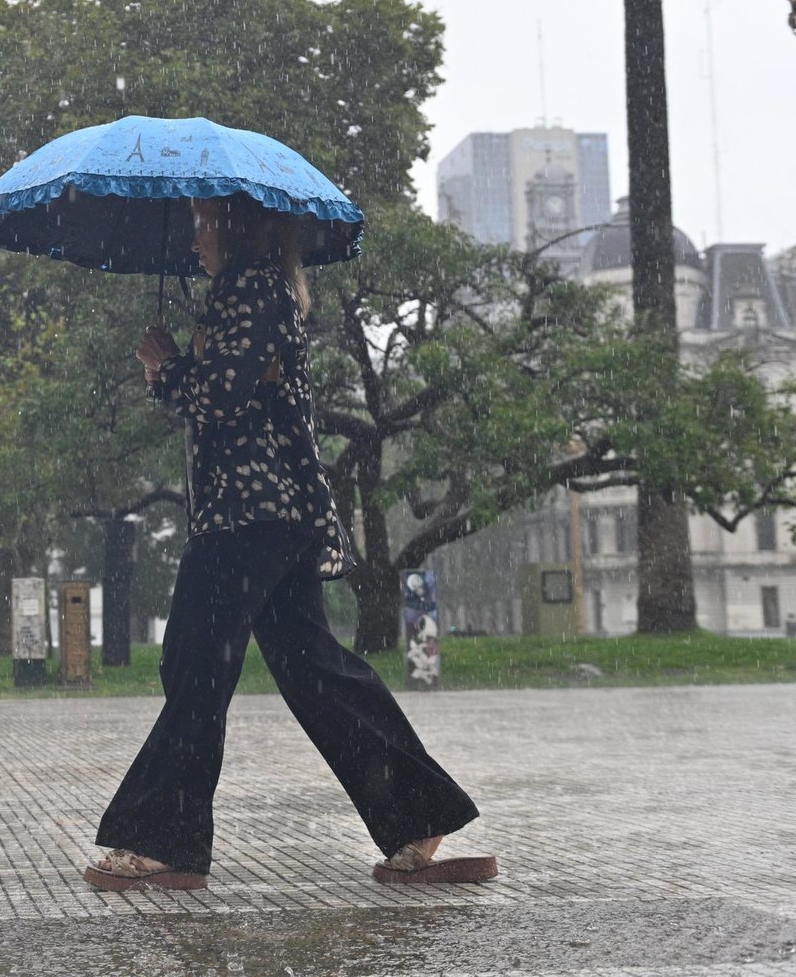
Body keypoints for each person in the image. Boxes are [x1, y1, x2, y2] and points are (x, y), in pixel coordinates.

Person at [84, 197, 495, 891]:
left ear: (234, 227)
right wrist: (171, 375)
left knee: (196, 666)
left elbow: (222, 397)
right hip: (271, 515)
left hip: (251, 516)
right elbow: (232, 400)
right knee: (314, 671)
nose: (195, 241)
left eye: (202, 225)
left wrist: (169, 366)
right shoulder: (255, 290)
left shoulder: (250, 287)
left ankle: (163, 841)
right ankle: (418, 814)